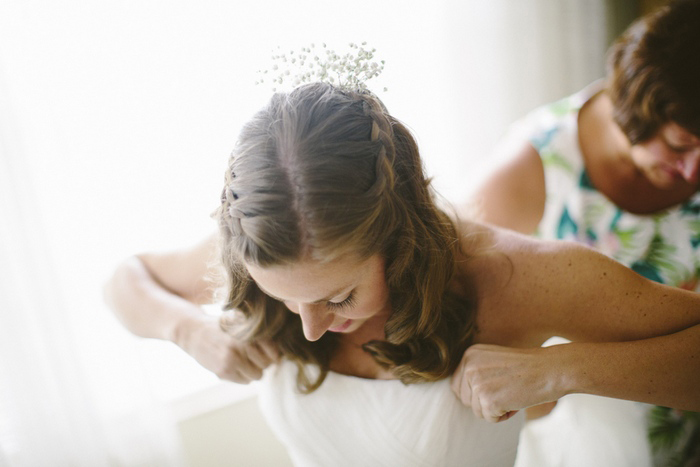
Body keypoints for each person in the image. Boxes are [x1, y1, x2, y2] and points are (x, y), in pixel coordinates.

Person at [105, 81, 700, 466]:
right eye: (283, 299)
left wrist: (560, 372)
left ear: (400, 239)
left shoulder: (514, 278)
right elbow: (123, 280)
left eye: (339, 296)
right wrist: (189, 331)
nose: (309, 329)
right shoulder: (281, 242)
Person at [467, 0, 700, 464]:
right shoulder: (529, 167)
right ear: (630, 110)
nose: (695, 170)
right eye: (680, 146)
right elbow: (472, 329)